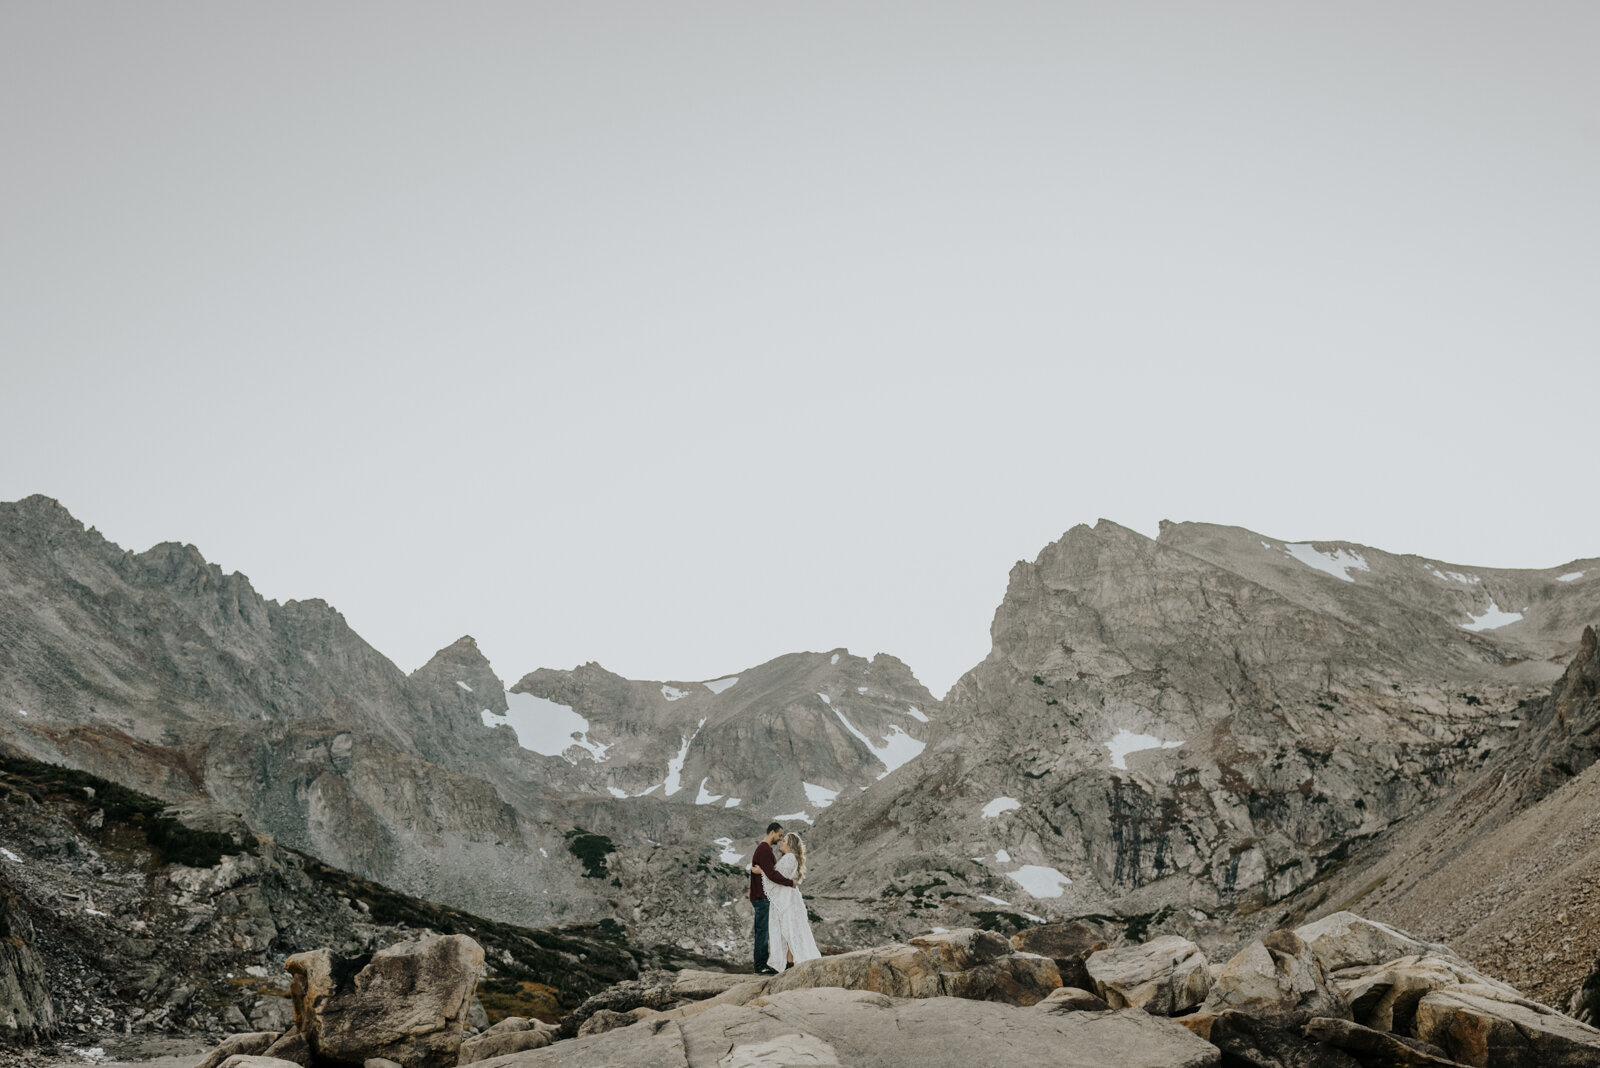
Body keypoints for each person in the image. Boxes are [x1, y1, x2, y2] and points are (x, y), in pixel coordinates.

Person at [763, 831, 821, 971]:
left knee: (787, 929)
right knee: (791, 929)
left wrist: (763, 871)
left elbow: (777, 877)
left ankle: (789, 962)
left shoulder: (789, 857)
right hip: (790, 897)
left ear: (790, 844)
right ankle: (789, 962)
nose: (781, 842)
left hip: (787, 898)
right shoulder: (792, 858)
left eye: (784, 841)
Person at [747, 821, 794, 974]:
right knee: (763, 932)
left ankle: (764, 964)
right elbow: (771, 875)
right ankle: (760, 966)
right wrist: (789, 883)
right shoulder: (764, 850)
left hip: (762, 896)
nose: (780, 839)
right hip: (761, 897)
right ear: (772, 832)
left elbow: (767, 873)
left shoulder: (764, 849)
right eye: (780, 835)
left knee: (765, 931)